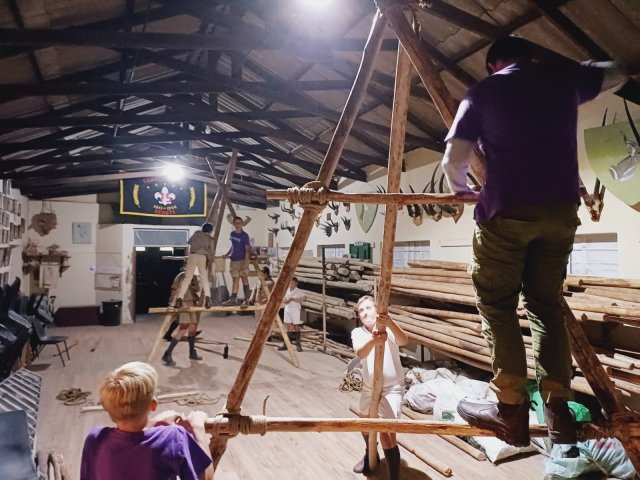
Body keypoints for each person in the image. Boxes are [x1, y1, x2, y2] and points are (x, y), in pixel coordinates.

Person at [441, 36, 629, 447]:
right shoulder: (561, 80)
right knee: (545, 306)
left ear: (492, 64)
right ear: (532, 56)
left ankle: (510, 410)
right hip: (560, 213)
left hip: (507, 211)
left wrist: (460, 189)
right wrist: (571, 69)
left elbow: (454, 155)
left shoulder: (484, 91)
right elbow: (618, 71)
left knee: (497, 303)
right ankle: (558, 408)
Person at [80, 362, 213, 480]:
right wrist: (198, 428)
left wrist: (152, 424)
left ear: (107, 407)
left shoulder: (95, 439)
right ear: (153, 404)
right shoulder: (174, 437)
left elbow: (130, 443)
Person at [350, 295, 407, 479]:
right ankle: (370, 454)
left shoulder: (388, 328)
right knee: (364, 421)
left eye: (368, 308)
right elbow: (360, 353)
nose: (365, 313)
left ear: (377, 310)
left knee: (387, 433)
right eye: (361, 310)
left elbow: (404, 340)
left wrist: (390, 323)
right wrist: (374, 341)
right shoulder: (358, 333)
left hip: (392, 387)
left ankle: (393, 477)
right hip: (370, 386)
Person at [163, 275, 204, 365]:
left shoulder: (193, 276)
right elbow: (174, 289)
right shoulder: (181, 276)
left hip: (192, 304)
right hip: (183, 304)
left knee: (192, 329)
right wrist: (172, 303)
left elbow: (197, 289)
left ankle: (192, 353)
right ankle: (167, 353)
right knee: (183, 329)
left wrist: (194, 281)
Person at [175, 223, 214, 309]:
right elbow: (211, 252)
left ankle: (179, 299)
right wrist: (209, 258)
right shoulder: (210, 238)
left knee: (187, 278)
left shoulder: (196, 233)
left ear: (202, 229)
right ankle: (208, 300)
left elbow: (189, 243)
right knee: (204, 279)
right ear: (211, 231)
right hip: (202, 257)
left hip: (192, 255)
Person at [222, 217, 253, 305]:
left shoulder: (245, 235)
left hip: (242, 260)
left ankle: (247, 299)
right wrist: (227, 254)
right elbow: (233, 246)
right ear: (233, 224)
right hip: (234, 260)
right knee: (235, 280)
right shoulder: (232, 234)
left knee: (244, 278)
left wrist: (246, 263)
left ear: (242, 224)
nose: (237, 224)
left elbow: (247, 250)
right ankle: (232, 299)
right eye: (236, 223)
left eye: (239, 223)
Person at [277, 277, 306, 352]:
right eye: (290, 283)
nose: (291, 285)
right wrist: (286, 301)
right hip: (287, 309)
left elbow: (304, 298)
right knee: (289, 327)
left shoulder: (298, 291)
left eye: (293, 283)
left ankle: (298, 344)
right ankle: (286, 345)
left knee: (296, 326)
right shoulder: (286, 290)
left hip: (296, 310)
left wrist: (293, 299)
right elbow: (283, 299)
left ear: (296, 283)